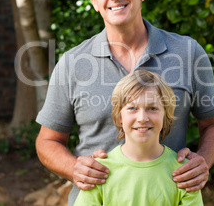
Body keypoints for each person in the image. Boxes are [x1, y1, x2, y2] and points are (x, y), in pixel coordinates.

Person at [35, 0, 214, 205]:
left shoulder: (187, 52)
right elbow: (47, 141)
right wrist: (74, 169)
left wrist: (202, 160)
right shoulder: (72, 63)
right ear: (94, 1)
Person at [74, 70, 204, 205]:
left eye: (152, 108)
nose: (142, 118)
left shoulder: (184, 174)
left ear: (165, 116)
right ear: (119, 118)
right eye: (132, 108)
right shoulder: (99, 172)